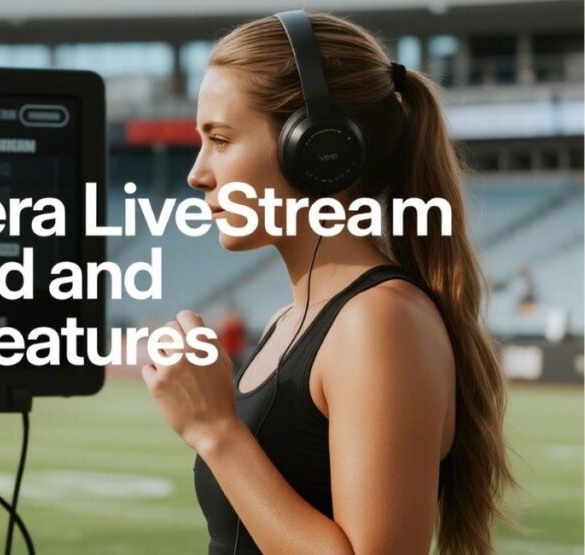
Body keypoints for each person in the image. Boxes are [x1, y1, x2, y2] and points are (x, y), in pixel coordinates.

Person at [140, 12, 514, 555]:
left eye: (220, 139)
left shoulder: (380, 322)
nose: (198, 173)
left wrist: (215, 431)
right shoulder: (288, 322)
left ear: (316, 149)